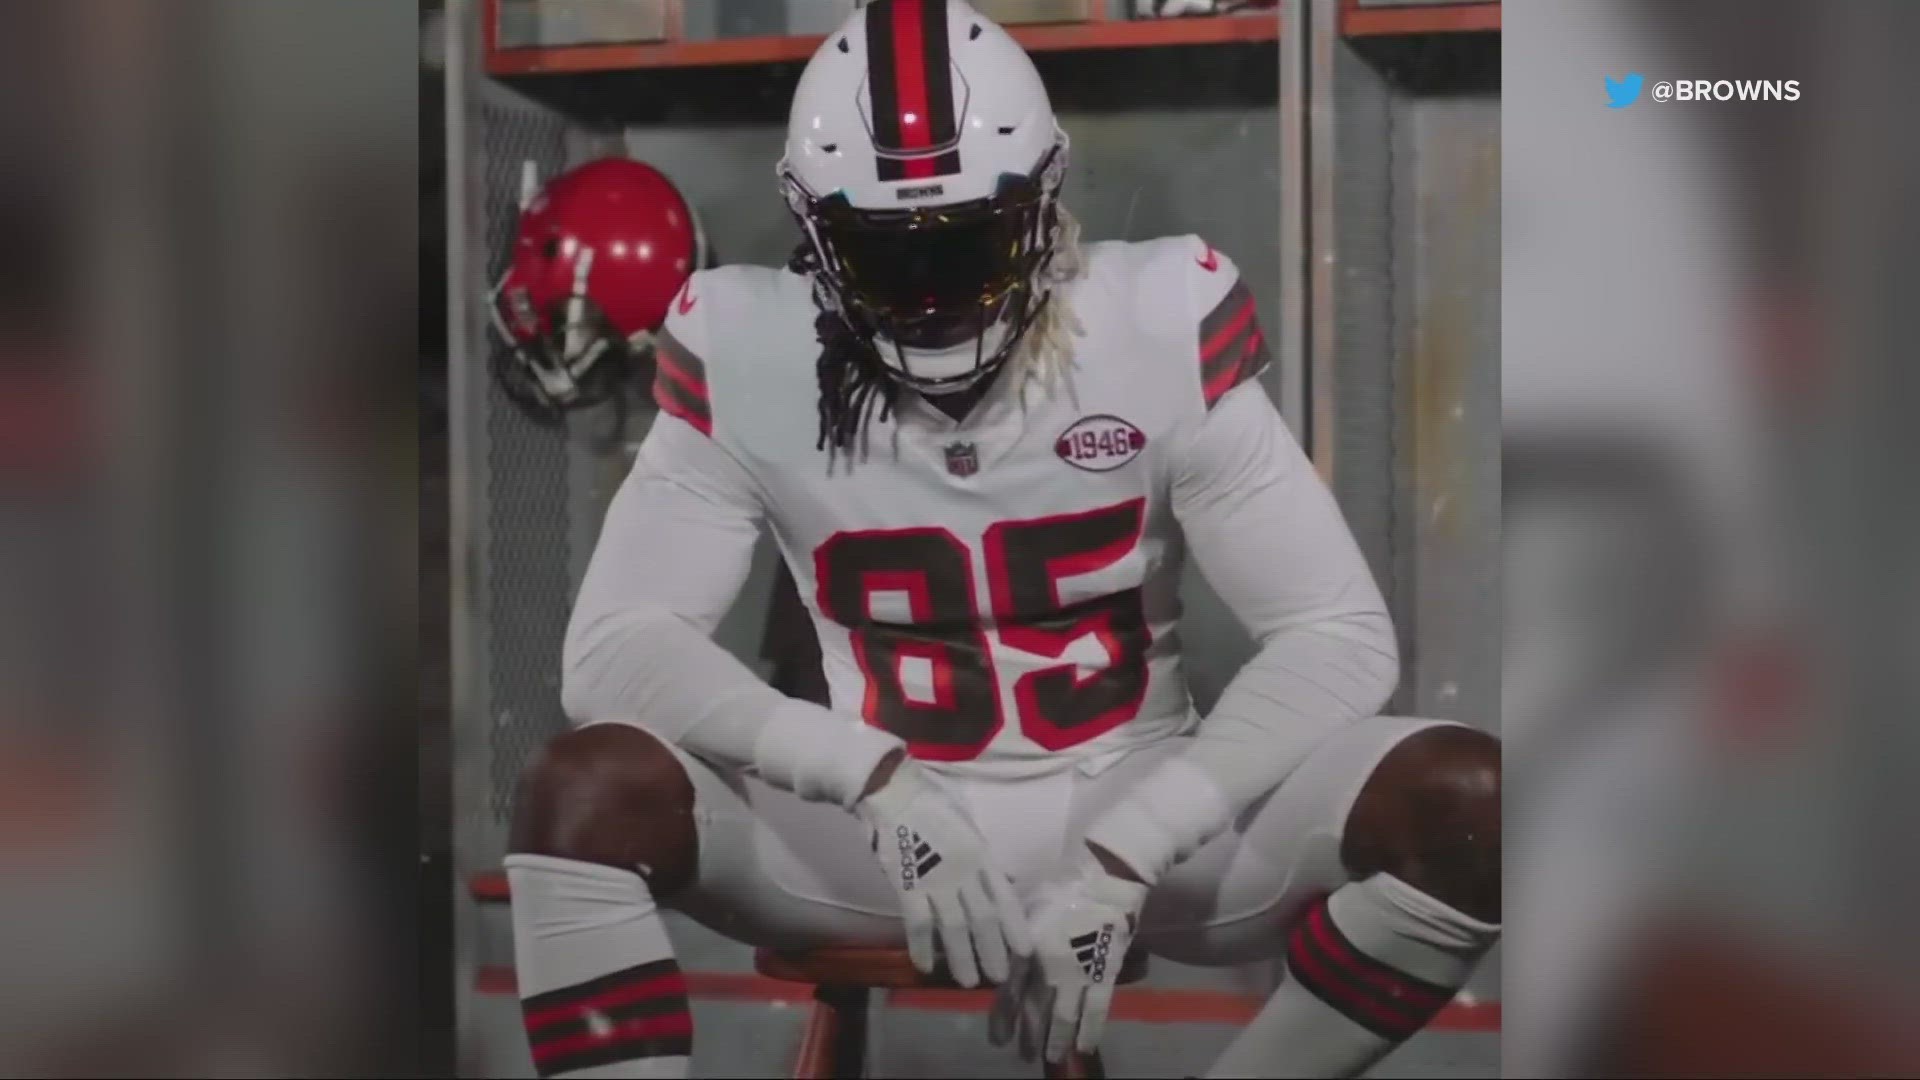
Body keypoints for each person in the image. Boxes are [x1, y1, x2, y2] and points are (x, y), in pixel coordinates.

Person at [503, 3, 1500, 1077]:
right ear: (812, 227)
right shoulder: (746, 346)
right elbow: (611, 651)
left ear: (1043, 200)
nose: (932, 303)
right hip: (878, 834)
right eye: (886, 255)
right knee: (585, 791)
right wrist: (871, 783)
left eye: (971, 244)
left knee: (1471, 806)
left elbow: (1336, 634)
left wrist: (1131, 850)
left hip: (1138, 807)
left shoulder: (1154, 321)